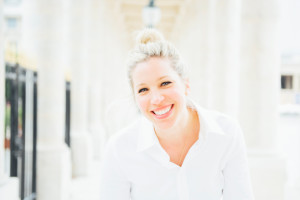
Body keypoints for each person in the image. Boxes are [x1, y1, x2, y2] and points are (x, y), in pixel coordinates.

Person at [99, 29, 254, 200]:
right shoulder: (120, 149)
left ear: (186, 84)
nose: (156, 99)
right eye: (143, 90)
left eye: (165, 83)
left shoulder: (227, 133)